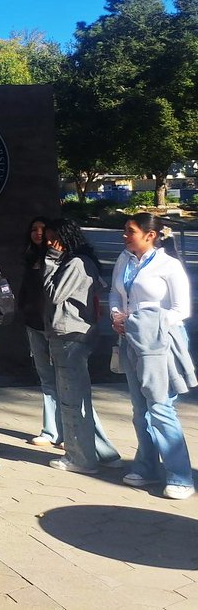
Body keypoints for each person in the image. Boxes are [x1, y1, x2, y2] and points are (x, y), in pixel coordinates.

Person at [110, 213, 195, 500]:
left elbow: (181, 310)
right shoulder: (124, 260)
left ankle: (180, 476)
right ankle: (146, 466)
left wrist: (140, 322)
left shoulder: (168, 265)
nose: (124, 235)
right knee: (139, 409)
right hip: (129, 340)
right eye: (124, 230)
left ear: (151, 235)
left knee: (160, 407)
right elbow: (115, 294)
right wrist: (116, 316)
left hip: (160, 343)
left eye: (130, 231)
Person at [40, 218, 121, 473]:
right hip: (74, 332)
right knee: (77, 396)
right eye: (48, 240)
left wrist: (50, 260)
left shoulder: (75, 263)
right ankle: (102, 452)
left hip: (70, 333)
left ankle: (81, 458)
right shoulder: (80, 261)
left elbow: (54, 294)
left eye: (54, 239)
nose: (50, 244)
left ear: (66, 239)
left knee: (71, 399)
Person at [19, 216, 60, 447]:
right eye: (33, 229)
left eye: (42, 230)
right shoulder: (30, 258)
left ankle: (69, 431)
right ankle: (50, 430)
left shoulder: (58, 259)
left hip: (55, 326)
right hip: (34, 323)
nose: (38, 233)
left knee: (63, 379)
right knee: (46, 378)